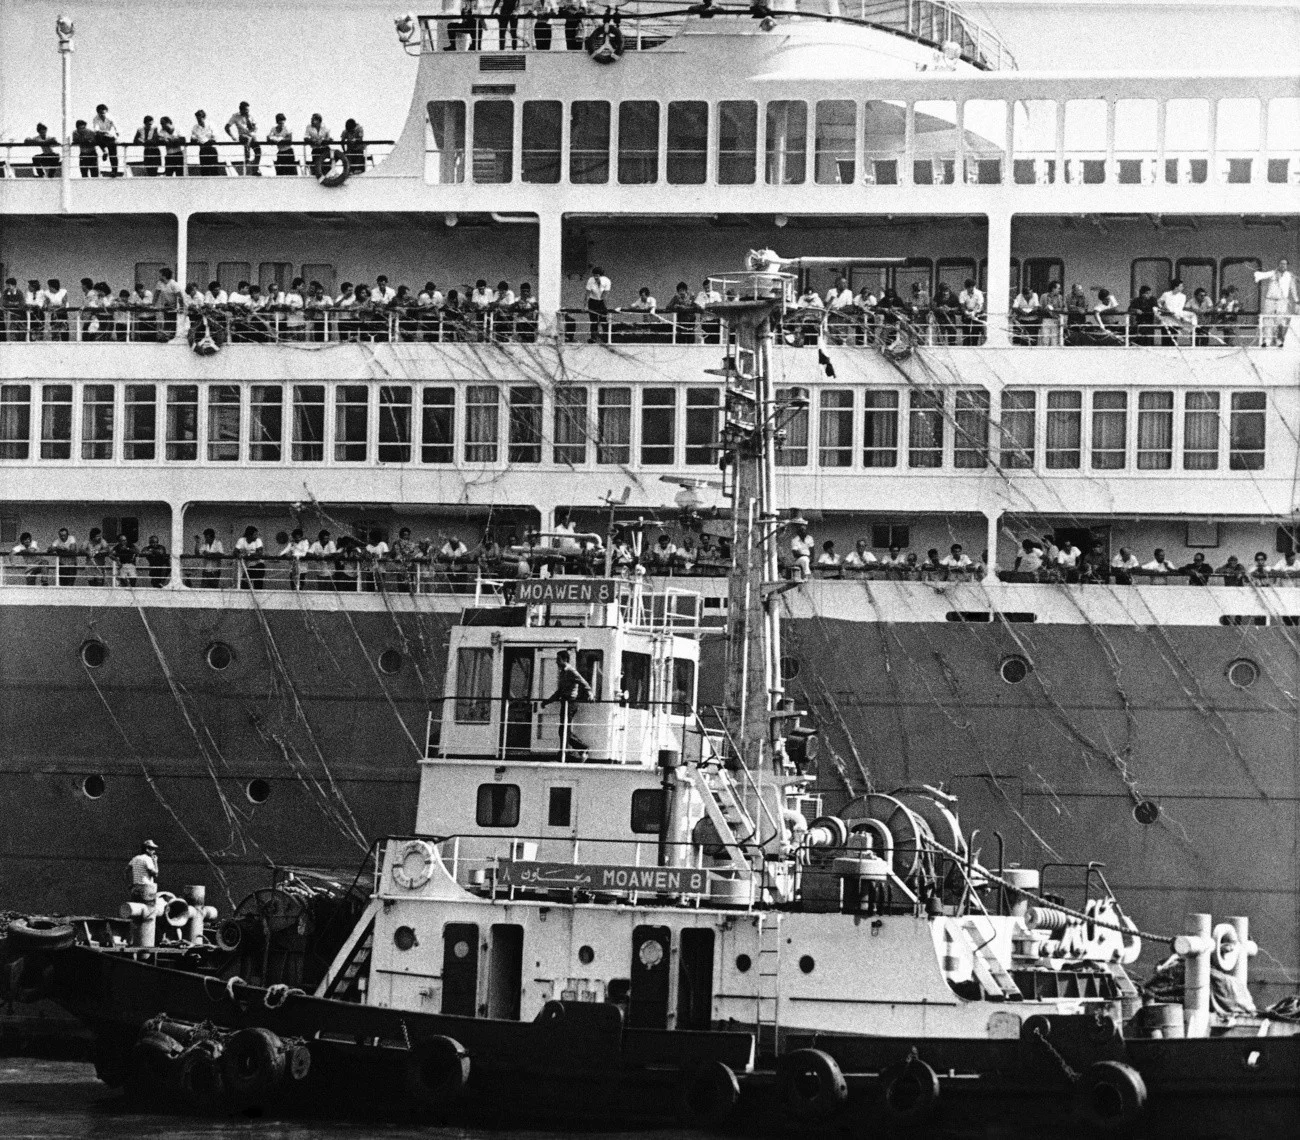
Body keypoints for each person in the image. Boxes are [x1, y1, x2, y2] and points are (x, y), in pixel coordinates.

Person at [540, 649, 593, 758]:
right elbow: (559, 692)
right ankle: (572, 751)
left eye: (558, 659)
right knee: (563, 729)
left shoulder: (571, 671)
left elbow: (584, 683)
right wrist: (547, 701)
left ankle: (573, 750)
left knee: (564, 729)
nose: (556, 661)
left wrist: (590, 693)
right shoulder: (563, 672)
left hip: (571, 703)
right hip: (565, 702)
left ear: (565, 659)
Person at [1255, 258, 1297, 347]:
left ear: (1287, 266)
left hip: (1282, 300)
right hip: (1270, 299)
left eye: (1285, 264)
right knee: (1268, 319)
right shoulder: (1273, 273)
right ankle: (1267, 340)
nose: (1283, 265)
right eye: (1281, 263)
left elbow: (1293, 288)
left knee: (1280, 321)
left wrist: (1296, 300)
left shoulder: (1289, 276)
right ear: (1278, 265)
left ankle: (1279, 341)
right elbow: (1263, 275)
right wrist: (1257, 276)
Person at [225, 102, 260, 173]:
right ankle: (247, 158)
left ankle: (255, 169)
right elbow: (227, 127)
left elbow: (253, 128)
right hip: (242, 135)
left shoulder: (250, 116)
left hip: (251, 135)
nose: (247, 111)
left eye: (248, 110)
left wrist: (248, 119)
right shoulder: (235, 116)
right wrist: (232, 136)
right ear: (241, 110)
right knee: (247, 139)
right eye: (246, 110)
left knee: (258, 151)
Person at [1157, 279, 1194, 345]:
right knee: (1165, 341)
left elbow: (1179, 308)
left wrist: (1170, 311)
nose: (1182, 288)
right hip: (1166, 320)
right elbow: (1159, 302)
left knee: (1173, 341)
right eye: (1181, 286)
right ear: (1176, 287)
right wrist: (1162, 308)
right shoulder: (1166, 294)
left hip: (1175, 320)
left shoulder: (1183, 296)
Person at [91, 103, 120, 176]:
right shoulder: (95, 119)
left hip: (110, 137)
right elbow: (96, 129)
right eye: (100, 113)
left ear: (106, 112)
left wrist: (116, 132)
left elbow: (116, 127)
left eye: (103, 113)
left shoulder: (110, 117)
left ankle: (114, 171)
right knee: (96, 136)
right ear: (98, 113)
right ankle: (104, 151)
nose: (102, 115)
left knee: (113, 154)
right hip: (101, 136)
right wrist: (104, 132)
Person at [584, 265, 611, 343]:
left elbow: (604, 296)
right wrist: (585, 306)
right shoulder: (590, 280)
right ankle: (593, 338)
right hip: (592, 301)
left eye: (597, 276)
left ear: (601, 276)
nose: (595, 277)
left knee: (603, 320)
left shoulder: (607, 281)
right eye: (594, 275)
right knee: (594, 321)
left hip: (601, 301)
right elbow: (587, 294)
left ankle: (606, 338)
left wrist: (606, 307)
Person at [957, 277, 984, 345]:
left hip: (977, 313)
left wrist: (974, 312)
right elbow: (962, 304)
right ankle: (966, 345)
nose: (970, 289)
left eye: (972, 287)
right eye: (968, 288)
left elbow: (979, 304)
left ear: (974, 286)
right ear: (966, 287)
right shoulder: (962, 293)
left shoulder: (979, 293)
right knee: (966, 330)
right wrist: (965, 312)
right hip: (967, 312)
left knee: (975, 331)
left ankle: (974, 345)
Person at [1038, 280, 1065, 345]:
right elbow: (1040, 308)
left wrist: (1053, 309)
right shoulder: (1044, 296)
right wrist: (1046, 308)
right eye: (1058, 288)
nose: (1059, 290)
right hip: (1046, 319)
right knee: (1045, 339)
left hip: (1055, 320)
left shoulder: (1059, 297)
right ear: (1053, 289)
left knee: (1054, 340)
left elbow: (1062, 308)